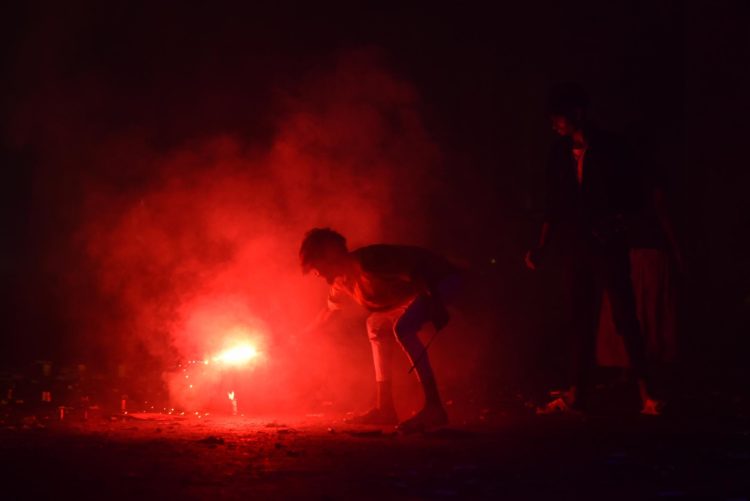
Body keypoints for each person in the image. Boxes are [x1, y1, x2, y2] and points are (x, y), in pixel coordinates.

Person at [525, 83, 662, 415]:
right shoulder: (559, 153)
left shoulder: (612, 148)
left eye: (558, 117)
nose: (554, 124)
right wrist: (542, 247)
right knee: (580, 320)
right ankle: (580, 393)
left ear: (577, 114)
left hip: (607, 245)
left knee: (625, 317)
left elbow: (634, 195)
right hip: (576, 247)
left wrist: (615, 222)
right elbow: (553, 205)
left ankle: (648, 393)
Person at [300, 228, 462, 432]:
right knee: (375, 324)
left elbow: (418, 272)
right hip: (418, 291)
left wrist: (436, 303)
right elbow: (329, 311)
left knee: (404, 328)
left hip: (442, 281)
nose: (318, 274)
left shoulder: (370, 261)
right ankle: (385, 408)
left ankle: (434, 408)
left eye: (318, 266)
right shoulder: (341, 282)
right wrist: (301, 336)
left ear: (331, 255)